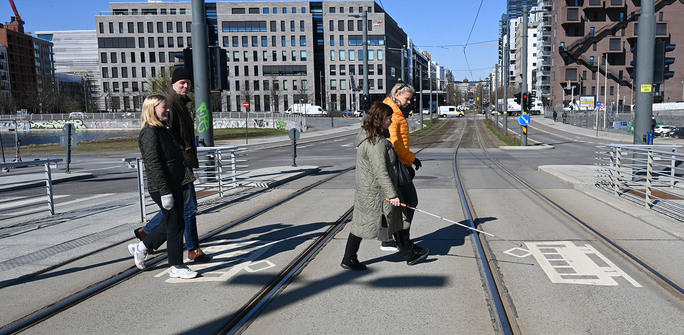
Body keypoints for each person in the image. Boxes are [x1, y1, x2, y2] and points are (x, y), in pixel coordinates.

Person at [133, 67, 210, 263]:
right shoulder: (172, 104)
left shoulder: (181, 104)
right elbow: (169, 138)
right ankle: (192, 248)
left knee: (179, 208)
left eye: (188, 83)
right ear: (173, 85)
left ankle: (146, 232)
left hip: (183, 164)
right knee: (188, 208)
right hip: (179, 166)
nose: (185, 86)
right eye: (181, 83)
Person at [341, 103, 429, 270]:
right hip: (377, 192)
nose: (391, 121)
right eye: (389, 118)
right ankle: (409, 253)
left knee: (367, 223)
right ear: (380, 120)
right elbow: (381, 171)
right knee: (387, 220)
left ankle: (408, 252)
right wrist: (393, 194)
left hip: (369, 191)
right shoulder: (376, 143)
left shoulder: (372, 137)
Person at [128, 95, 198, 279]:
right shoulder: (149, 133)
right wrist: (166, 193)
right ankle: (176, 265)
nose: (168, 110)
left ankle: (142, 247)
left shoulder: (163, 129)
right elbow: (154, 165)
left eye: (168, 107)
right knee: (175, 225)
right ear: (152, 109)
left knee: (174, 222)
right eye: (164, 107)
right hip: (162, 187)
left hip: (175, 184)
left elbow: (177, 160)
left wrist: (184, 186)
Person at [381, 81, 422, 252]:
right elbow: (395, 144)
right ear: (397, 95)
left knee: (392, 204)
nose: (409, 102)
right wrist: (411, 159)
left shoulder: (395, 110)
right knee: (409, 202)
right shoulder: (392, 114)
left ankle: (389, 240)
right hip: (397, 165)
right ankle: (402, 243)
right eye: (407, 99)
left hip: (400, 163)